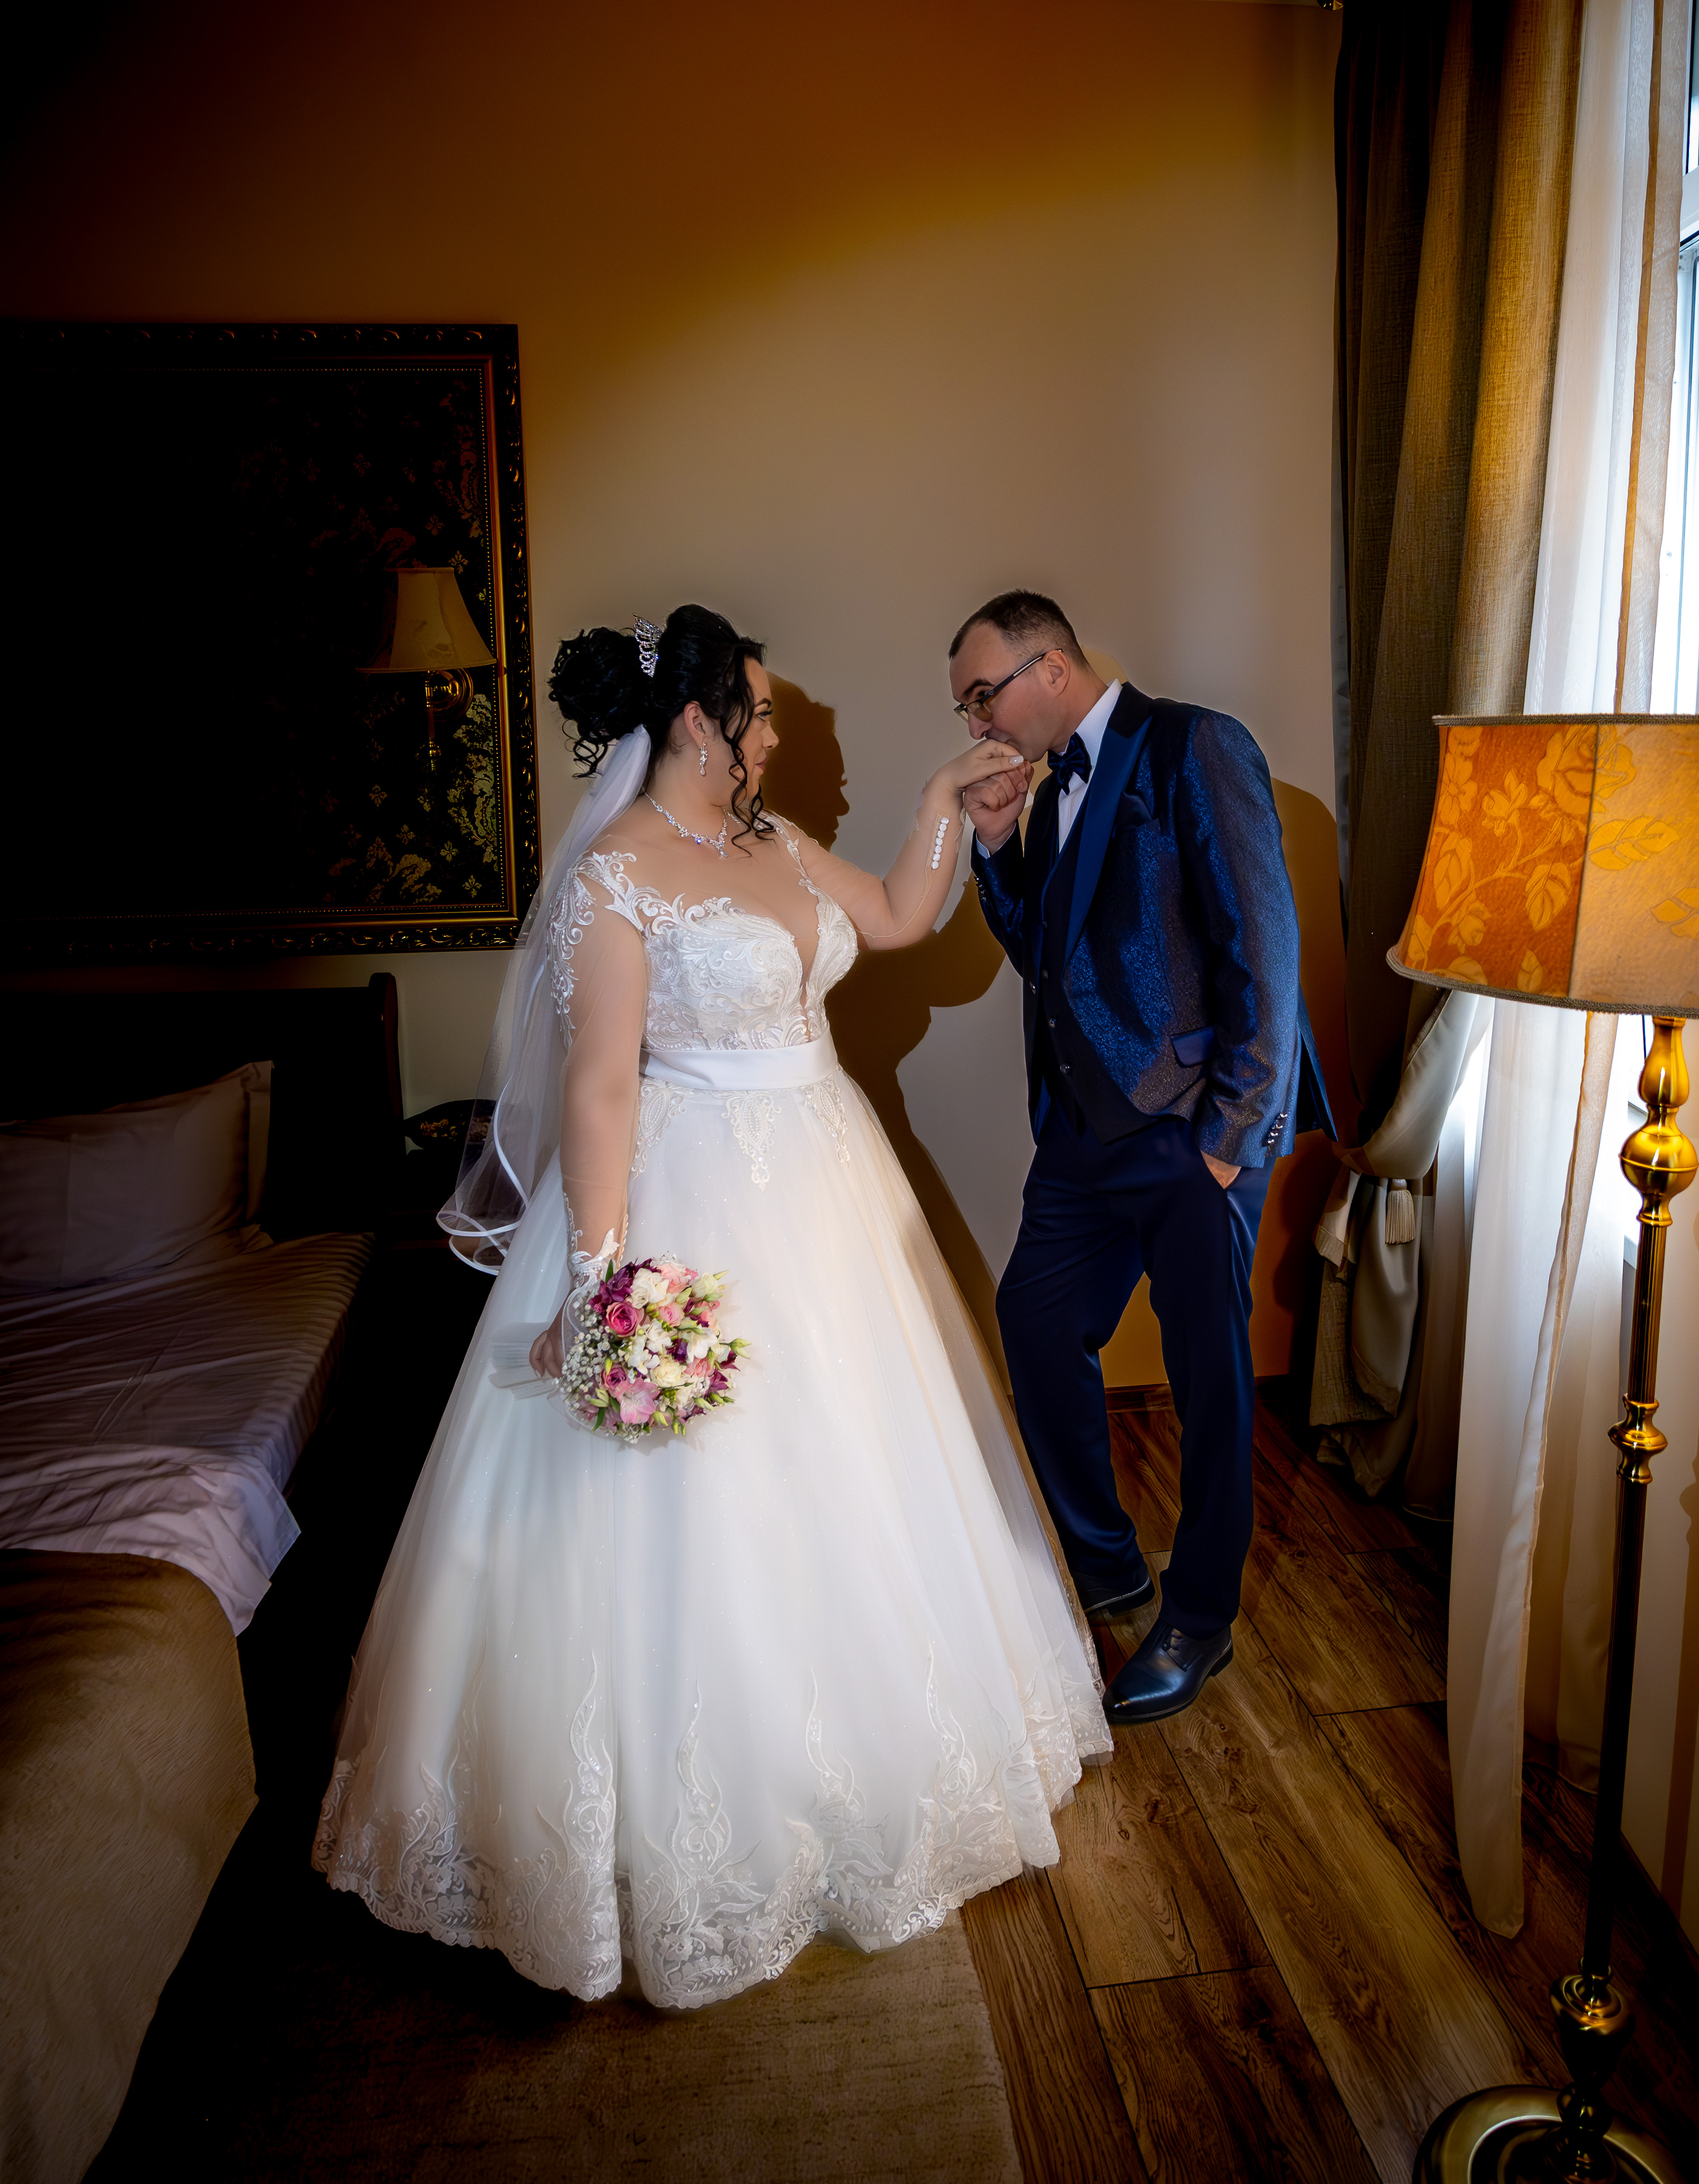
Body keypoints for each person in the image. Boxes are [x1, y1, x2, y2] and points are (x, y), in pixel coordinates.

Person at [313, 603, 1109, 2009]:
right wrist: (601, 1275)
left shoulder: (773, 842)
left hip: (828, 1184)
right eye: (763, 707)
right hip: (688, 1196)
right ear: (699, 720)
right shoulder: (615, 876)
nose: (779, 730)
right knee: (695, 1505)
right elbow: (597, 1086)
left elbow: (898, 914)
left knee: (861, 1471)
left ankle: (874, 1770)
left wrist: (944, 802)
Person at [951, 591, 1332, 1726]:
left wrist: (1228, 1142)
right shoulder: (1046, 787)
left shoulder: (1194, 744)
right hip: (1083, 1133)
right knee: (1033, 1322)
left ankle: (1200, 1617)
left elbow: (1264, 943)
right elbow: (1044, 955)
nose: (977, 722)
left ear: (1051, 667)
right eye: (965, 706)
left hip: (1190, 1131)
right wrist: (995, 845)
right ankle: (1107, 1563)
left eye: (984, 694)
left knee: (1209, 1381)